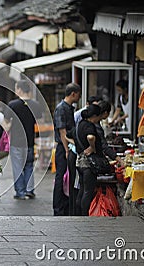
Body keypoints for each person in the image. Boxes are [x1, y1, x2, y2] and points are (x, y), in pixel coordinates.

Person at [4, 80, 43, 200]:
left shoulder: (13, 104)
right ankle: (29, 190)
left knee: (17, 167)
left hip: (16, 141)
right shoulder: (36, 105)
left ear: (20, 89)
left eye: (16, 88)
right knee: (29, 166)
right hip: (30, 141)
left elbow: (6, 123)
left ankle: (20, 192)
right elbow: (39, 122)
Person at [53, 83, 81, 216]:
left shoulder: (69, 108)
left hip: (69, 146)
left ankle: (65, 207)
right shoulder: (61, 109)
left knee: (67, 177)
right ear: (73, 94)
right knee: (60, 177)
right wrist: (66, 150)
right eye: (78, 94)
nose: (79, 97)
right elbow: (62, 132)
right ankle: (58, 209)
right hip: (63, 147)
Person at [75, 104, 102, 216]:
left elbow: (69, 135)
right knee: (87, 191)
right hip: (88, 164)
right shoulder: (89, 126)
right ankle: (84, 215)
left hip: (80, 162)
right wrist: (92, 147)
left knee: (82, 190)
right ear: (94, 116)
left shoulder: (79, 124)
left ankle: (78, 213)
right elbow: (90, 137)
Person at [97, 101, 125, 166]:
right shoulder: (96, 126)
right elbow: (104, 147)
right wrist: (119, 160)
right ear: (105, 113)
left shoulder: (94, 124)